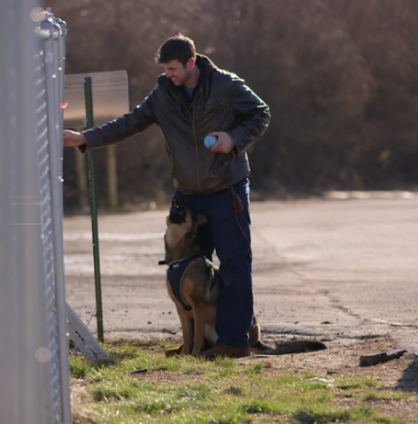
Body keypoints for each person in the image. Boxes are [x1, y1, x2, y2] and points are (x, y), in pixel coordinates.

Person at [63, 34, 271, 358]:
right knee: (188, 269)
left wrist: (233, 138)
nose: (169, 75)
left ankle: (233, 341)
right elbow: (130, 123)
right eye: (166, 69)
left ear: (191, 62)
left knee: (234, 265)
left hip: (227, 188)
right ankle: (196, 341)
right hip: (189, 194)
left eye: (174, 69)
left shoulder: (226, 85)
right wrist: (85, 138)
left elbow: (260, 114)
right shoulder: (163, 95)